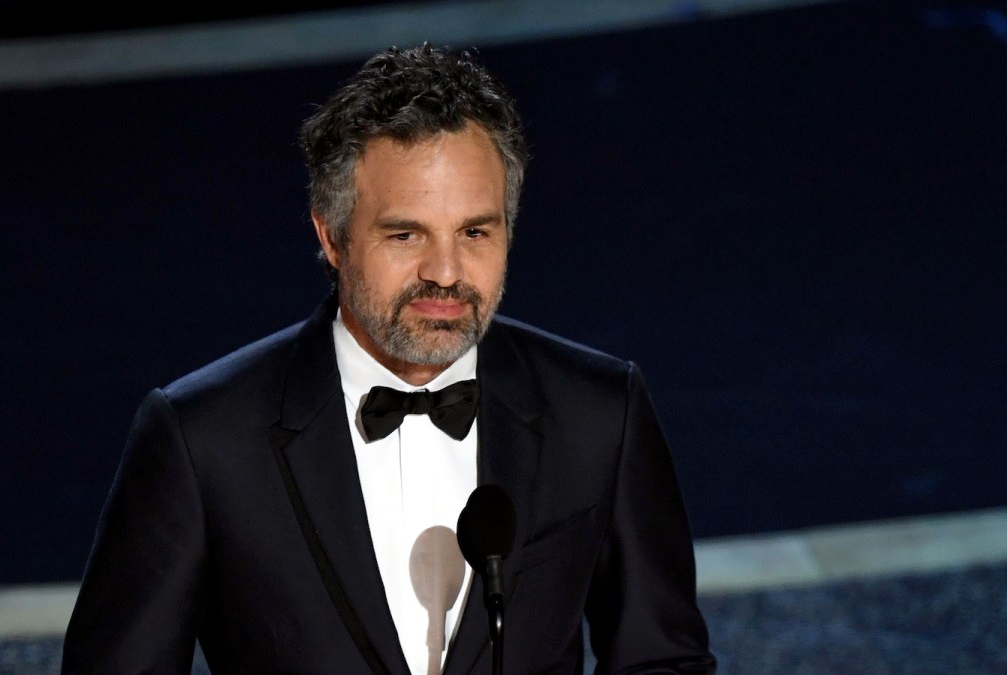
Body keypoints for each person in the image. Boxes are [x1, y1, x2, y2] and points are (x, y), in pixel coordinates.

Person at [62, 43, 715, 675]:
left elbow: (662, 658)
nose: (446, 271)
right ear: (334, 236)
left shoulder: (598, 412)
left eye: (475, 232)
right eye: (406, 234)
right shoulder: (203, 439)